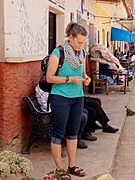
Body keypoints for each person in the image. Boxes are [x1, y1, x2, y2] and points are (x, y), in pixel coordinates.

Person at [45, 23, 90, 178]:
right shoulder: (57, 53)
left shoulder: (81, 53)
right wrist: (69, 79)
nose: (81, 45)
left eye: (83, 42)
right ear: (70, 37)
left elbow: (82, 73)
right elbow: (49, 78)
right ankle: (59, 169)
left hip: (77, 97)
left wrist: (86, 79)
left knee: (73, 133)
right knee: (58, 133)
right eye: (79, 42)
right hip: (60, 97)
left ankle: (72, 166)